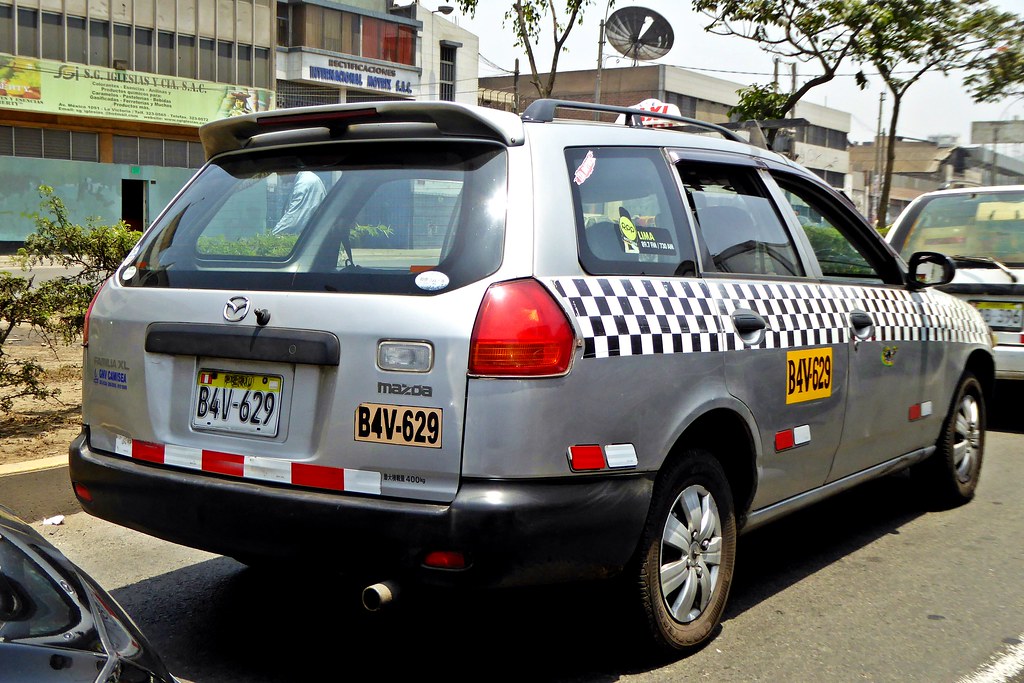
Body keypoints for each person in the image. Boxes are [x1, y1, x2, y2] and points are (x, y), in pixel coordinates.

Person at [272, 171, 326, 235]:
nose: (278, 175)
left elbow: (293, 218)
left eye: (280, 172)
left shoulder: (305, 182)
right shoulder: (304, 179)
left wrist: (273, 235)